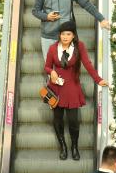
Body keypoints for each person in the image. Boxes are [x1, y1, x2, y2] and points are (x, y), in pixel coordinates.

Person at [45, 22, 108, 161]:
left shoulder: (80, 47)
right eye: (63, 34)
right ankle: (63, 146)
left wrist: (98, 80)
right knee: (57, 119)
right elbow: (47, 66)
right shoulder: (52, 48)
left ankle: (74, 146)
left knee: (73, 121)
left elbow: (87, 64)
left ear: (73, 35)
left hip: (72, 87)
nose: (65, 37)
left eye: (68, 34)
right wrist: (52, 72)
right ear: (59, 35)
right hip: (56, 88)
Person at [32, 0, 109, 60]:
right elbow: (35, 11)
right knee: (50, 68)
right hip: (48, 36)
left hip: (66, 35)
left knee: (67, 67)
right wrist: (46, 16)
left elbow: (86, 4)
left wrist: (101, 19)